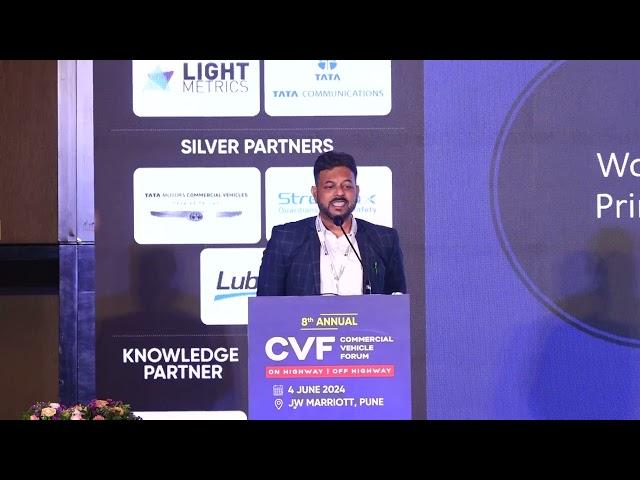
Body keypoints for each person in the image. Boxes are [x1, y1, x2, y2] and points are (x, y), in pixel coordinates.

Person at [257, 151, 407, 296]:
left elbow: (396, 305)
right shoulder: (285, 239)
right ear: (315, 193)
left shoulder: (384, 240)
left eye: (347, 186)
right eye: (330, 186)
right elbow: (266, 306)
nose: (340, 193)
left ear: (357, 191)